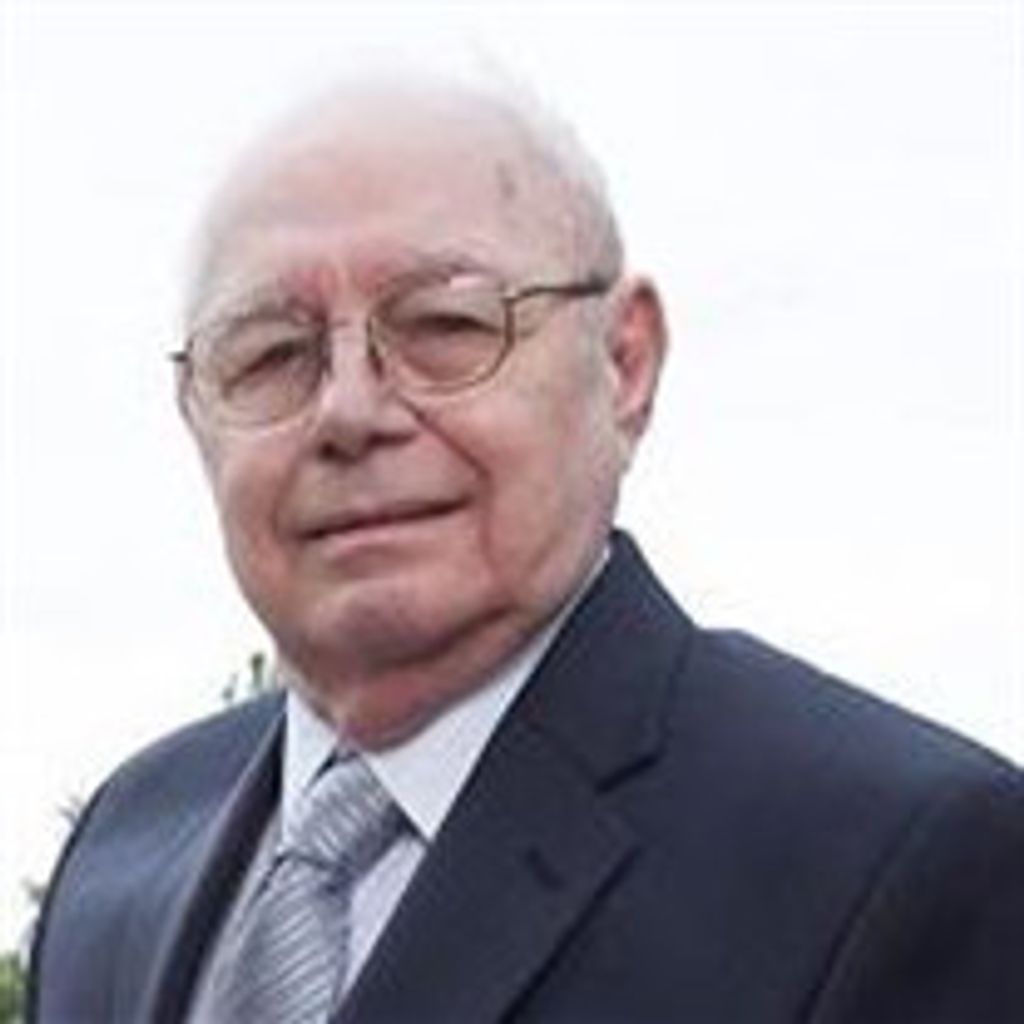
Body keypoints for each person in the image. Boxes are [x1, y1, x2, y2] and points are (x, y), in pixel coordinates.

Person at [29, 69, 1023, 1024]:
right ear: (193, 411)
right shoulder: (120, 859)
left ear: (624, 362)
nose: (349, 411)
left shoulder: (894, 864)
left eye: (445, 325)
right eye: (271, 354)